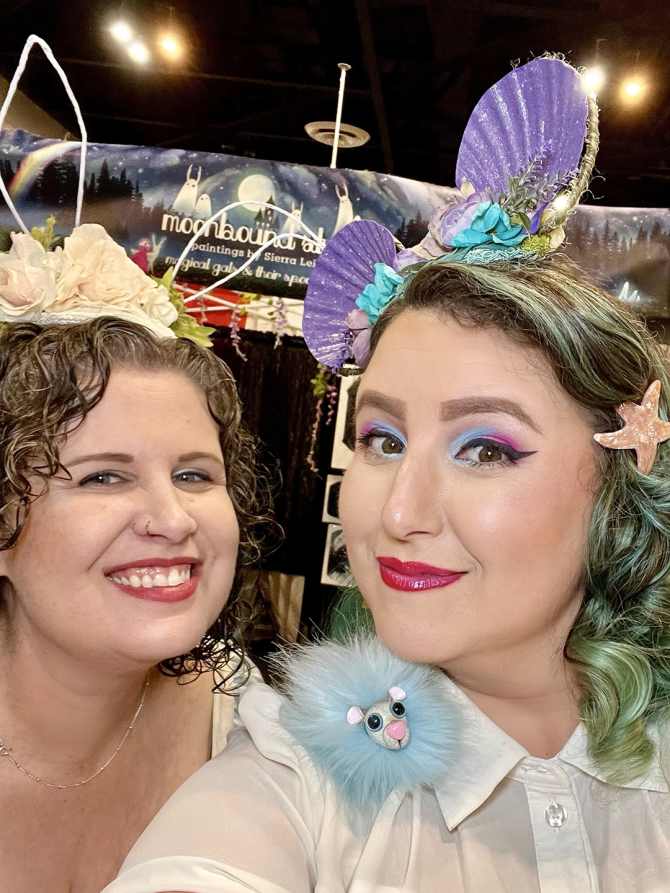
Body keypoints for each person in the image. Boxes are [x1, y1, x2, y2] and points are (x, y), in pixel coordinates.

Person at [105, 58, 670, 892]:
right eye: (382, 439)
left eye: (485, 449)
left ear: (619, 474)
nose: (399, 512)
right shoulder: (302, 769)